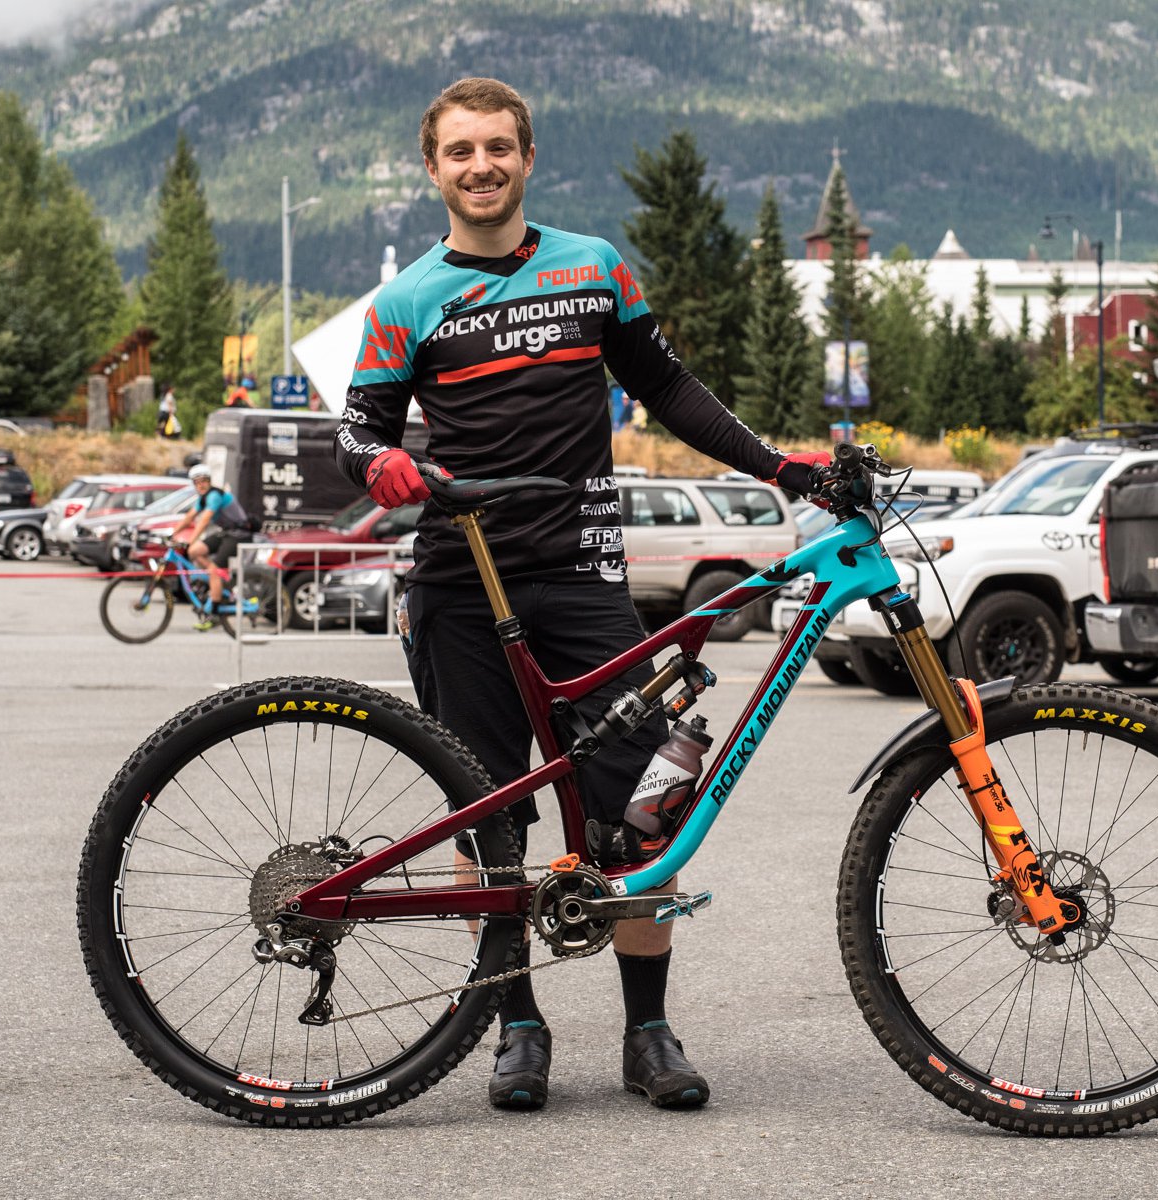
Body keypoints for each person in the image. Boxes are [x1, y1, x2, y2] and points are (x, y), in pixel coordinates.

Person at [332, 76, 827, 1115]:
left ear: (527, 156)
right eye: (461, 151)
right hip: (462, 588)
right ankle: (516, 1029)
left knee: (642, 815)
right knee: (491, 827)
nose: (482, 166)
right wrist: (381, 465)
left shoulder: (593, 271)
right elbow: (359, 429)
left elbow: (673, 391)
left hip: (585, 579)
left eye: (499, 147)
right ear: (435, 168)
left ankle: (648, 1031)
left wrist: (779, 467)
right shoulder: (406, 300)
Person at [169, 464, 250, 631]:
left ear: (209, 481)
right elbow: (189, 517)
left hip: (239, 534)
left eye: (204, 481)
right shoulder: (203, 498)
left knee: (213, 570)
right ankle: (216, 580)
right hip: (227, 532)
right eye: (197, 482)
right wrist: (172, 534)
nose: (201, 485)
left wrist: (191, 539)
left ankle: (213, 613)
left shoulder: (214, 496)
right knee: (194, 552)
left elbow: (204, 520)